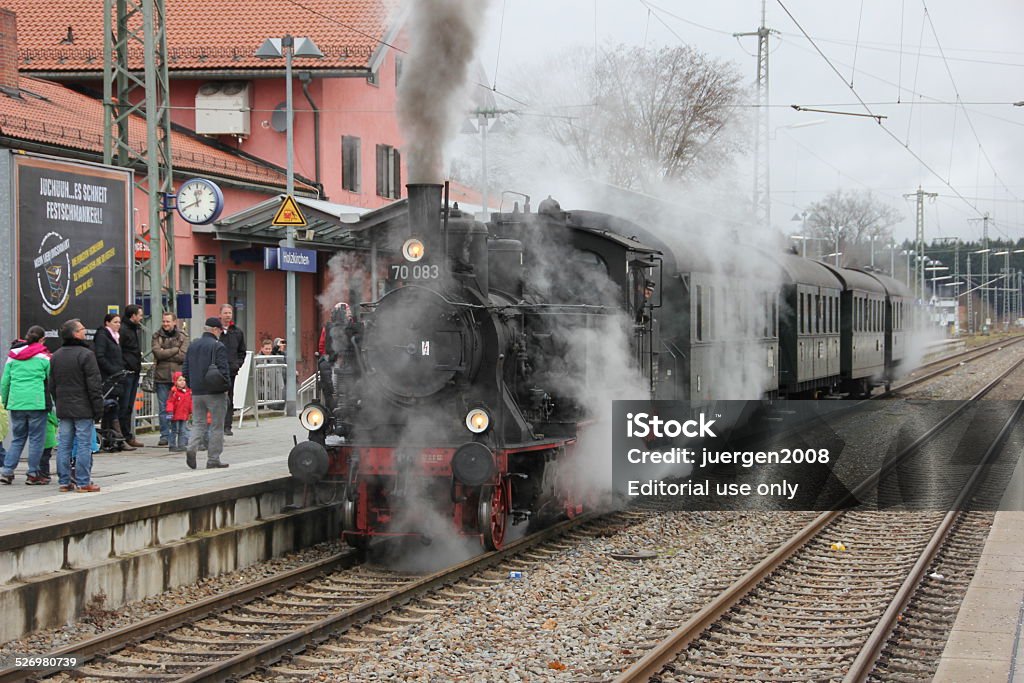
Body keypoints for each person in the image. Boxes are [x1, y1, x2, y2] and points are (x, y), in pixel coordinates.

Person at [49, 319, 103, 493]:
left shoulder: (56, 355)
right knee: (83, 444)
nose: (85, 330)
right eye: (81, 329)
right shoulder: (86, 355)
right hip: (83, 407)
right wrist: (98, 408)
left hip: (64, 407)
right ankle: (83, 481)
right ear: (74, 334)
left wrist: (58, 401)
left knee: (63, 444)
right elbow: (94, 385)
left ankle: (64, 482)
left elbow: (52, 384)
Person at [0, 325, 52, 485]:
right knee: (36, 440)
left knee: (18, 438)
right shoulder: (44, 357)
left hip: (16, 403)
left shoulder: (12, 356)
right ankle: (32, 473)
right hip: (37, 403)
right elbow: (50, 381)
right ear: (42, 339)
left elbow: (5, 382)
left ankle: (7, 471)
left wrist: (5, 400)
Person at [182, 317, 230, 470]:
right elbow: (224, 370)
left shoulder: (193, 345)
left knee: (198, 423)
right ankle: (213, 459)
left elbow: (185, 369)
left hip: (197, 392)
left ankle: (191, 447)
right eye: (220, 331)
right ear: (215, 330)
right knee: (217, 425)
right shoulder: (218, 346)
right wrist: (226, 386)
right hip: (215, 392)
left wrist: (192, 385)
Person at [93, 313, 133, 451]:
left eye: (119, 322)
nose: (118, 325)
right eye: (115, 322)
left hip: (116, 377)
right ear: (107, 323)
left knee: (112, 406)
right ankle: (118, 438)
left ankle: (112, 438)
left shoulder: (115, 337)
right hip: (108, 378)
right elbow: (100, 356)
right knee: (111, 405)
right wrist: (113, 370)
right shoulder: (103, 336)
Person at [152, 311, 189, 447]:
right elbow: (157, 353)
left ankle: (181, 433)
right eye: (164, 321)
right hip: (161, 377)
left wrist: (165, 352)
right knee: (163, 408)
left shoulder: (183, 336)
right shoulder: (157, 336)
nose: (165, 324)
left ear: (174, 322)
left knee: (181, 407)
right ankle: (164, 435)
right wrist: (175, 349)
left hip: (178, 379)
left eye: (168, 321)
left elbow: (183, 356)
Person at [118, 304, 145, 448]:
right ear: (133, 316)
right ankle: (123, 436)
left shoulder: (134, 329)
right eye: (139, 315)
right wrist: (125, 365)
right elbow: (120, 351)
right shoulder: (124, 330)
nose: (141, 317)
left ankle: (127, 435)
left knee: (128, 406)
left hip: (134, 370)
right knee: (124, 406)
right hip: (127, 372)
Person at [219, 304, 245, 436]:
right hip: (216, 371)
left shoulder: (237, 332)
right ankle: (217, 424)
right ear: (220, 315)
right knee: (217, 397)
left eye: (229, 313)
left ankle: (227, 426)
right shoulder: (216, 331)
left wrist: (237, 364)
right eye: (225, 313)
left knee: (229, 398)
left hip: (231, 370)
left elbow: (242, 351)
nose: (228, 315)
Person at [165, 371, 192, 453]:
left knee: (182, 430)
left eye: (183, 380)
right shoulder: (174, 392)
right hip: (174, 415)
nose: (182, 382)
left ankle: (181, 445)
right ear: (175, 382)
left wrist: (191, 411)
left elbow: (190, 402)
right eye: (180, 380)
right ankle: (172, 445)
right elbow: (170, 403)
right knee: (174, 430)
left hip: (184, 414)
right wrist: (169, 412)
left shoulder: (188, 392)